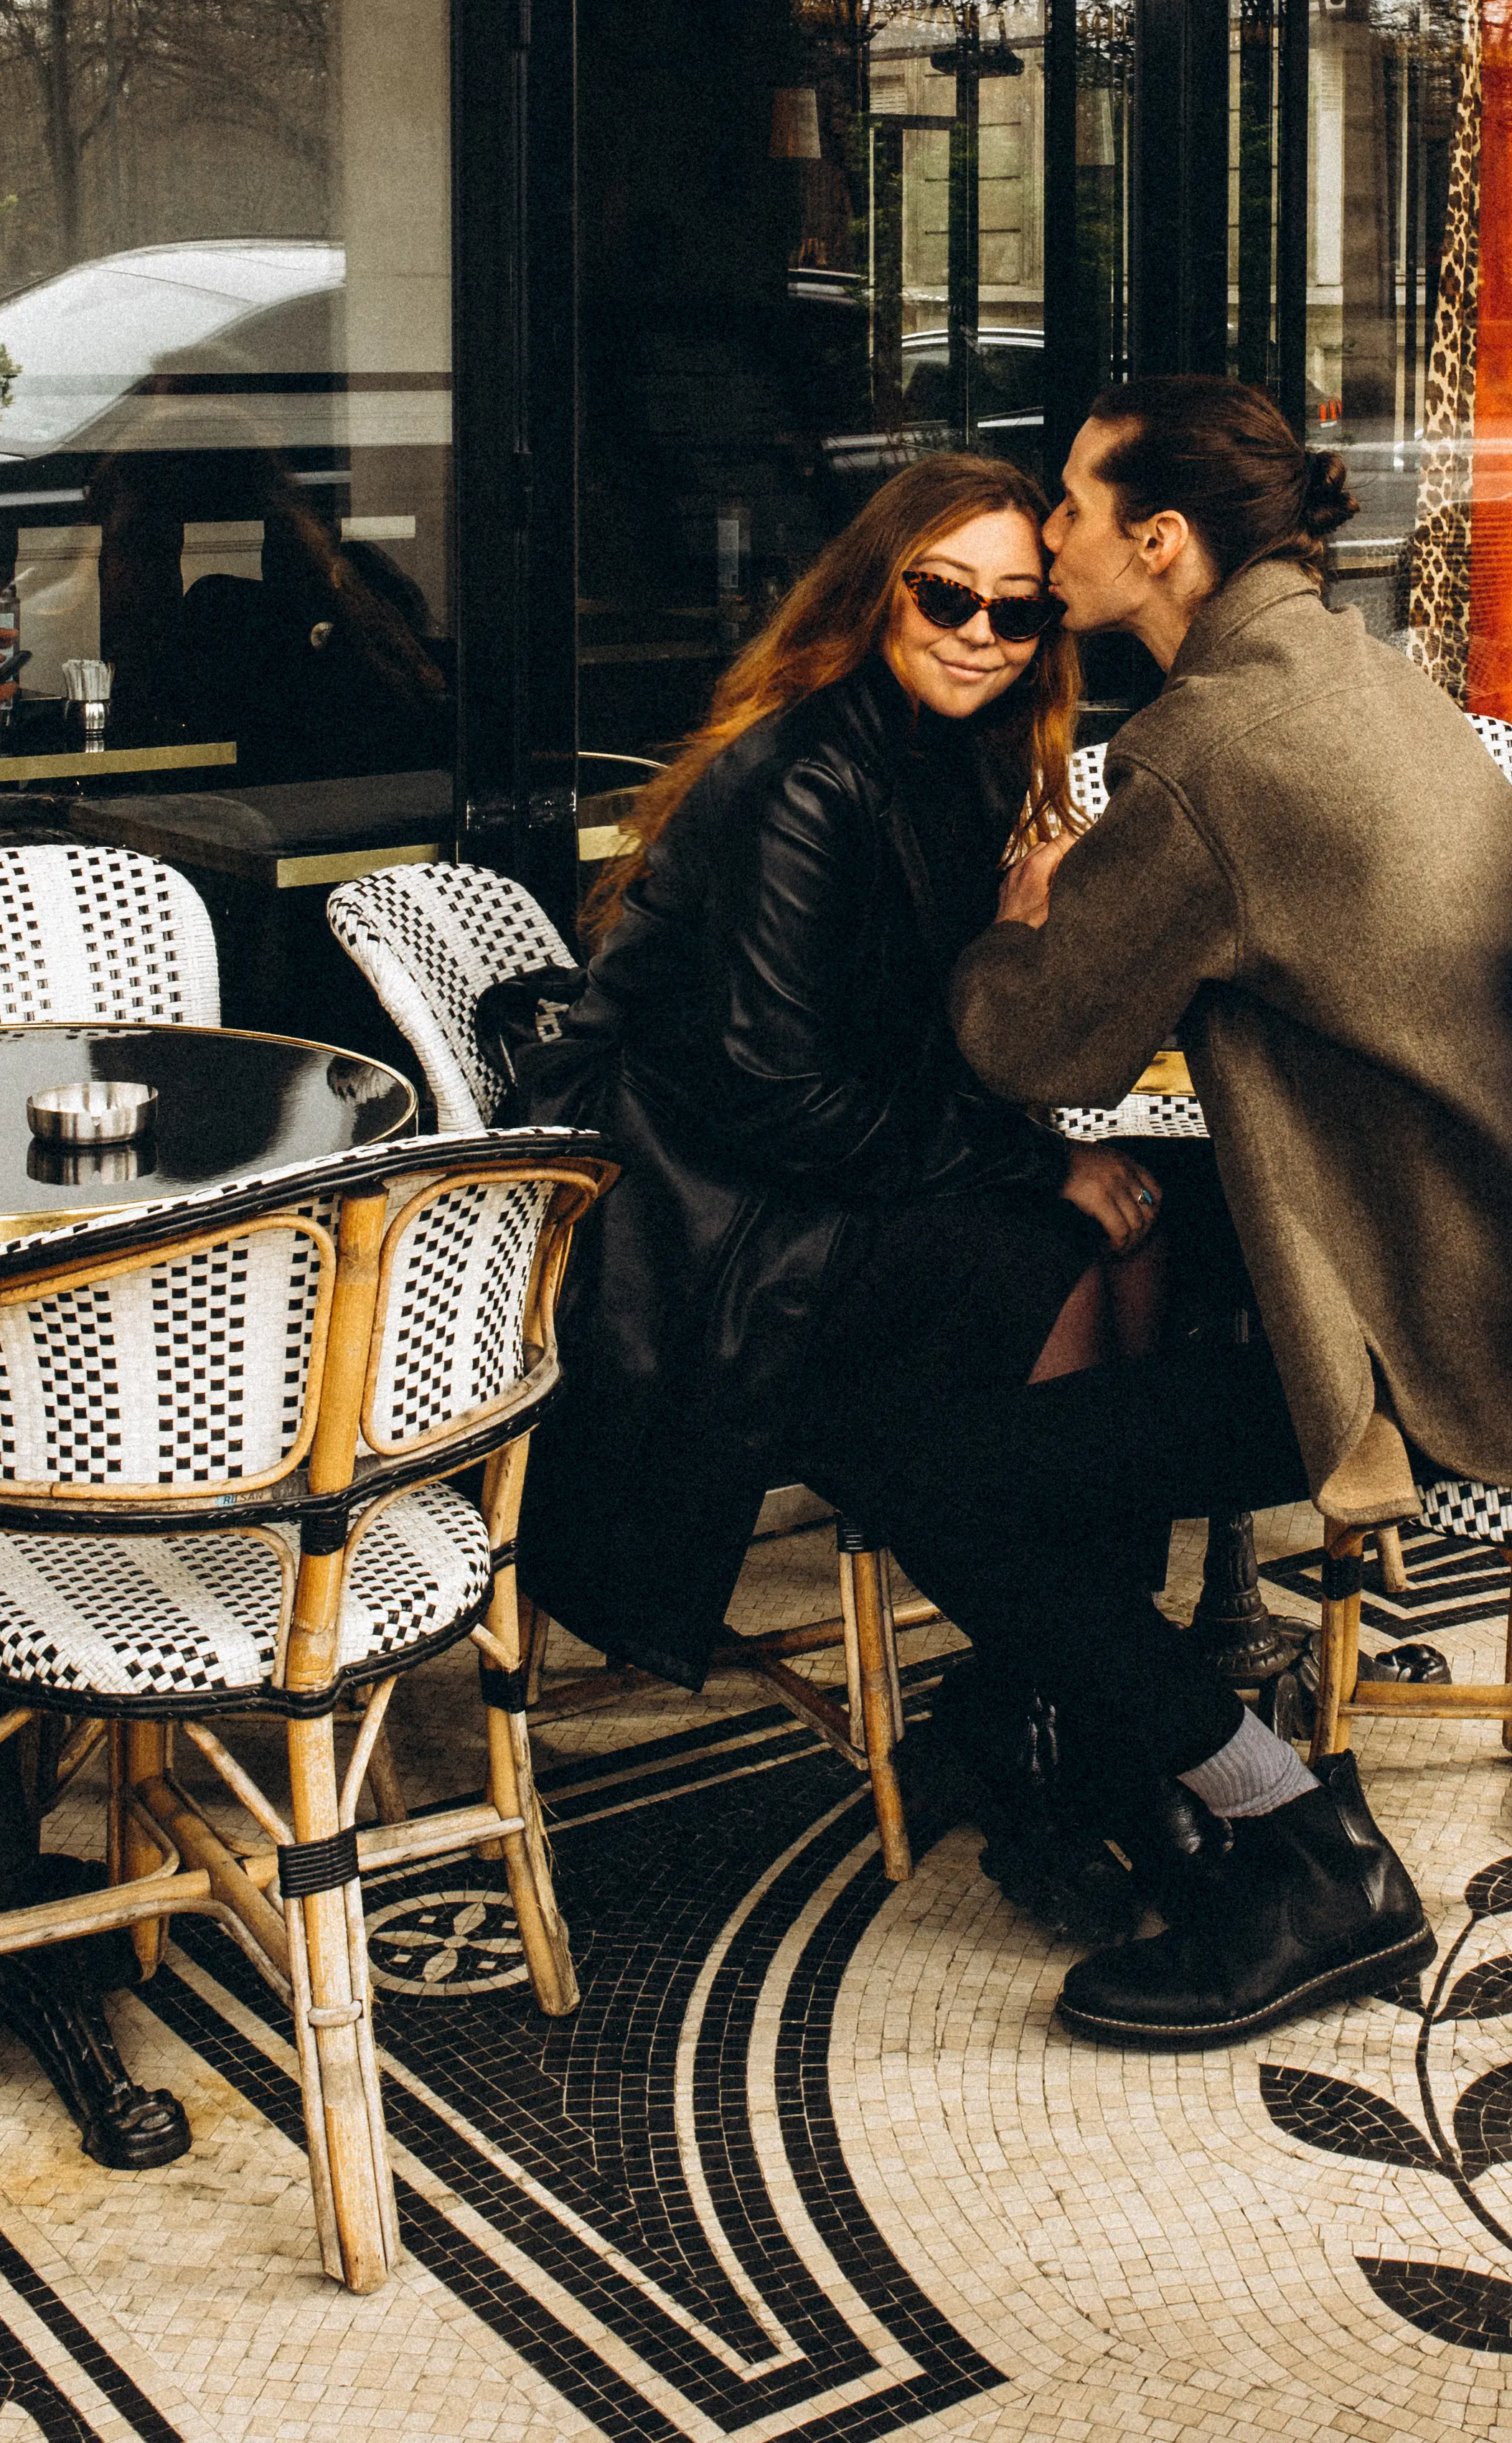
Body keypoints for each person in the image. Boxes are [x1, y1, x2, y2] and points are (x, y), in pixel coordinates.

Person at [947, 373, 1512, 2051]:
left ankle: (1298, 1840)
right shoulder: (1369, 674)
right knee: (1141, 1313)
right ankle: (1124, 1759)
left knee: (968, 1490)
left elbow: (1038, 1040)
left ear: (1158, 544)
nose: (1047, 532)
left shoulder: (1204, 748)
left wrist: (1022, 911)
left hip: (1453, 1338)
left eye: (1070, 507)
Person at [512, 449, 1180, 1933]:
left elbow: (924, 1043)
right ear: (881, 590)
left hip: (805, 1165)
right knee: (1061, 1261)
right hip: (691, 1208)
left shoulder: (974, 760)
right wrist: (1036, 1161)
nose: (979, 635)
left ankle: (1047, 1699)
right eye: (947, 595)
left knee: (1149, 1248)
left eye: (1017, 614)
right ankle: (1066, 1725)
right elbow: (783, 1096)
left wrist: (1022, 932)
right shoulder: (808, 775)